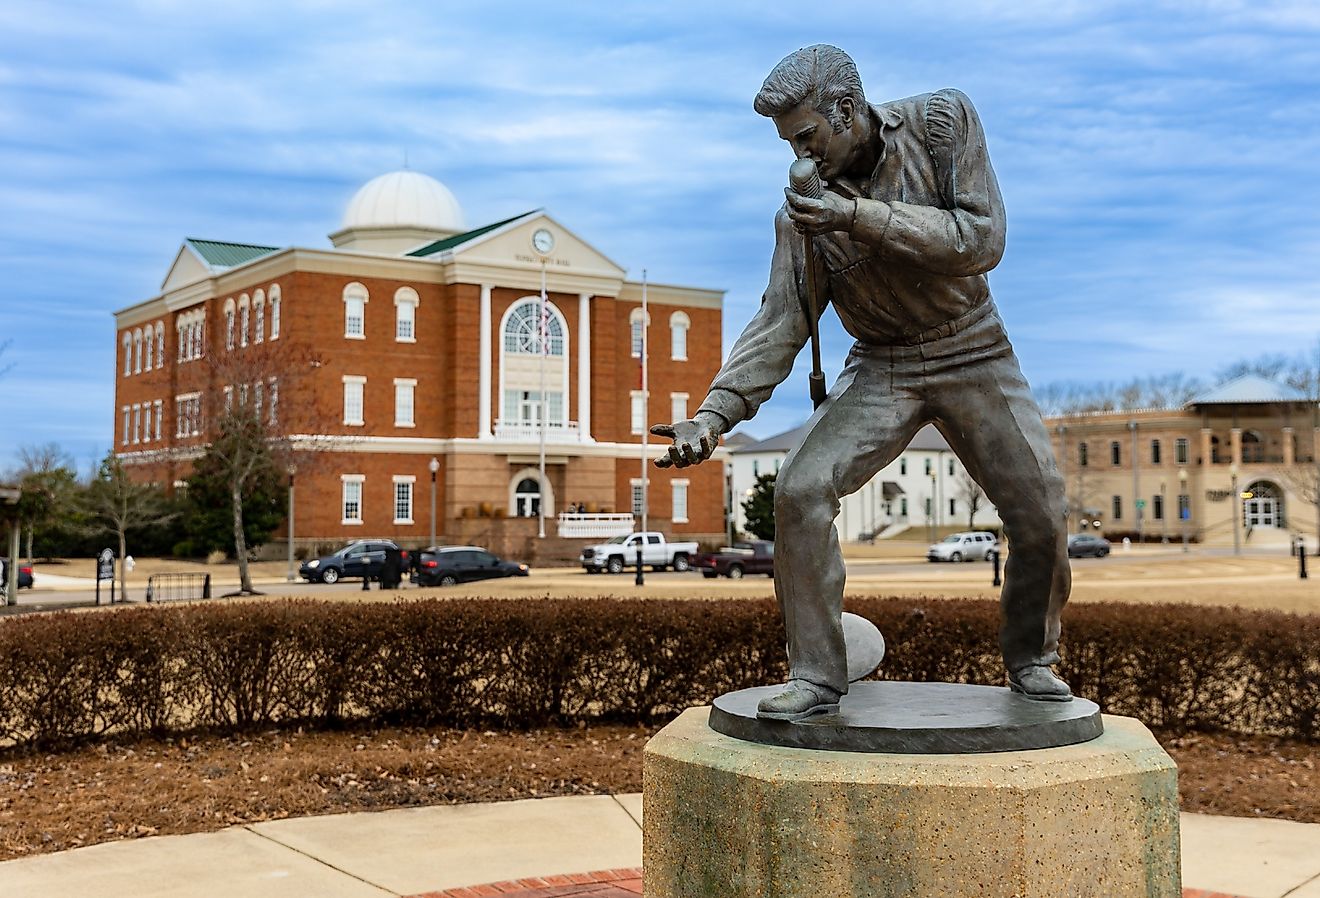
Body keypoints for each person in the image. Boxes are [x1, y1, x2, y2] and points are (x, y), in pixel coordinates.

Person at [652, 44, 1071, 721]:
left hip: (974, 350)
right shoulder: (800, 214)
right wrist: (715, 414)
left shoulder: (943, 122)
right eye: (788, 142)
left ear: (846, 110)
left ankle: (1032, 659)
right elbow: (781, 322)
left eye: (806, 136)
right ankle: (818, 675)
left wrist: (856, 219)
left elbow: (980, 237)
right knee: (799, 488)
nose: (798, 156)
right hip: (881, 365)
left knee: (1042, 511)